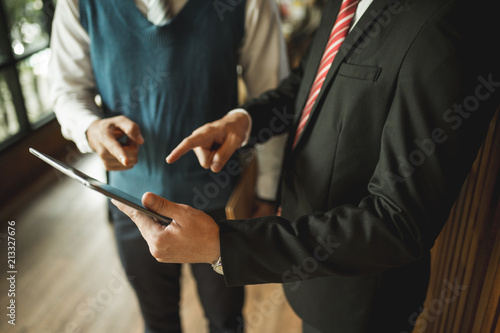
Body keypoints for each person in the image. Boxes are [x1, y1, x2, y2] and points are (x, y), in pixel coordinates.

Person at [112, 0, 500, 332]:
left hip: (359, 302)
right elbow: (310, 82)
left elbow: (400, 221)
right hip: (313, 276)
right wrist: (244, 120)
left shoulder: (452, 21)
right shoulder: (344, 3)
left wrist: (222, 245)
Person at [49, 0, 289, 332]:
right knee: (157, 321)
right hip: (130, 203)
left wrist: (267, 191)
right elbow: (68, 90)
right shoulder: (78, 4)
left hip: (220, 207)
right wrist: (90, 129)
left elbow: (273, 91)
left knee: (227, 320)